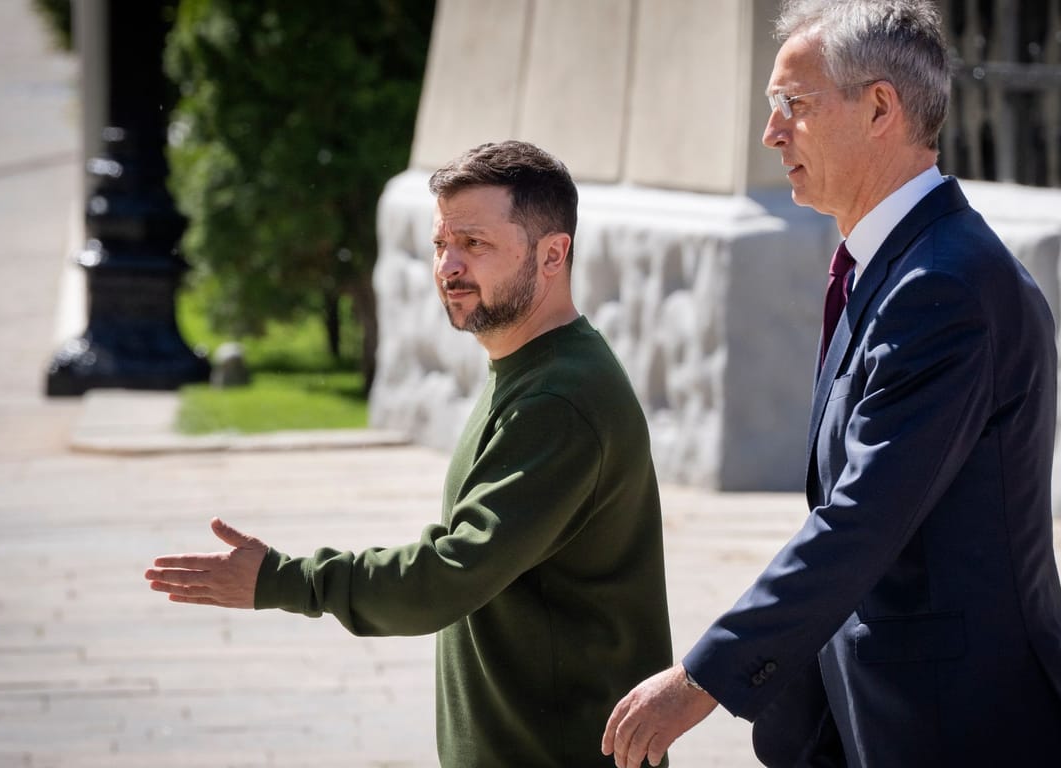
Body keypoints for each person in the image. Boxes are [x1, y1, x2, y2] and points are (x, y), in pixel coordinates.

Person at [602, 2, 1061, 767]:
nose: (772, 133)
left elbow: (861, 521)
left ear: (880, 108)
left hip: (965, 728)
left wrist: (700, 680)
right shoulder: (899, 268)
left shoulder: (945, 287)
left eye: (793, 107)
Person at [145, 140, 673, 767]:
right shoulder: (534, 372)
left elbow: (448, 574)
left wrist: (284, 580)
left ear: (553, 253)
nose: (449, 266)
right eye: (440, 244)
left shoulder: (558, 401)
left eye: (475, 244)